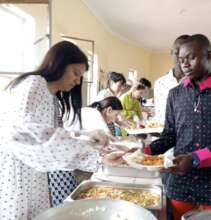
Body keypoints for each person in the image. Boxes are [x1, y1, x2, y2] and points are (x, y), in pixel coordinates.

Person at [0, 41, 113, 220]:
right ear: (58, 64)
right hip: (17, 174)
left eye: (80, 76)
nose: (77, 81)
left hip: (35, 175)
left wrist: (88, 137)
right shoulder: (34, 83)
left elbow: (50, 134)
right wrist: (94, 156)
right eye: (75, 73)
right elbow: (22, 133)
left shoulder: (52, 98)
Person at [144, 34, 211, 220]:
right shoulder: (175, 94)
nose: (185, 64)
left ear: (209, 56)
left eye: (191, 57)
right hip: (182, 182)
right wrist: (146, 150)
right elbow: (169, 135)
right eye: (181, 60)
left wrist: (196, 158)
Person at [154, 35, 189, 125]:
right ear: (171, 53)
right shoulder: (159, 83)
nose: (181, 58)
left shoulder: (199, 83)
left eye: (186, 54)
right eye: (177, 52)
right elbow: (159, 115)